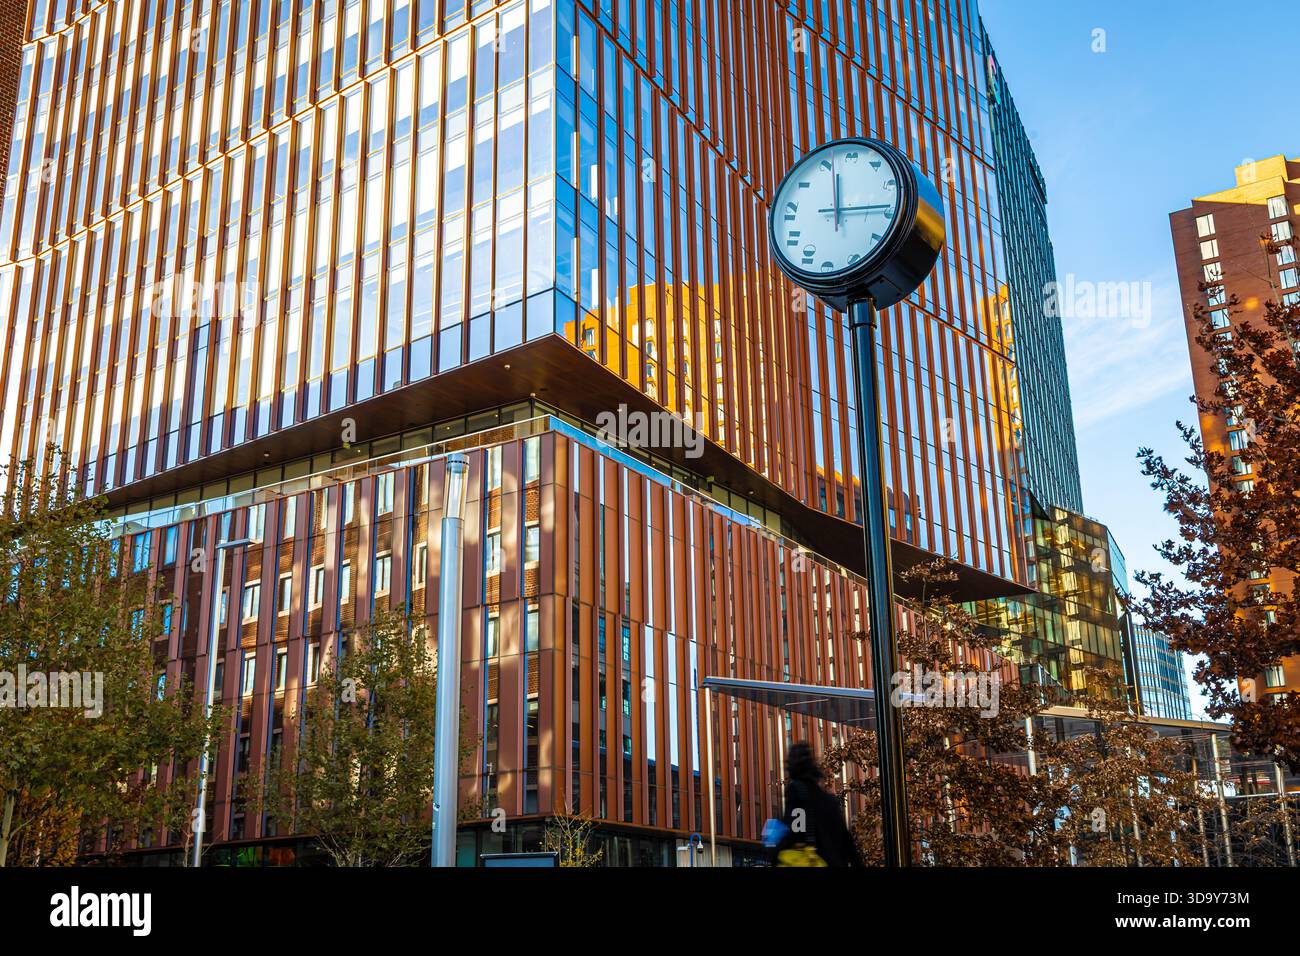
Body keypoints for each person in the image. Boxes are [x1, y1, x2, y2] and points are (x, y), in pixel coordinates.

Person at [775, 742, 864, 867]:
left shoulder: (797, 798)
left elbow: (794, 834)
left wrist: (774, 850)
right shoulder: (829, 801)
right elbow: (847, 841)